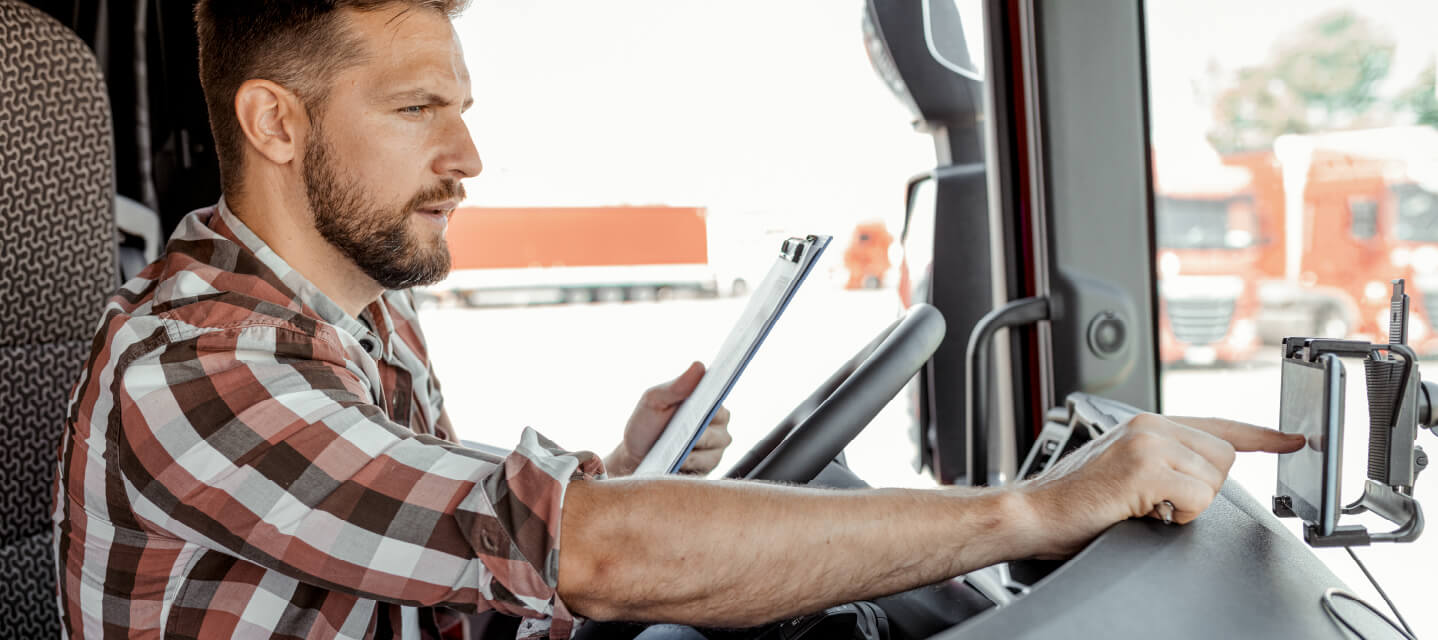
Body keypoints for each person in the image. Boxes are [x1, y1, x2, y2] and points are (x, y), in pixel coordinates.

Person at [51, 1, 1305, 639]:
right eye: (419, 109)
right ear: (277, 124)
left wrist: (635, 470)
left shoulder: (349, 321)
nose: (469, 153)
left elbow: (453, 553)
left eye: (463, 105)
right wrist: (1025, 512)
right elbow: (574, 552)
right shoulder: (201, 366)